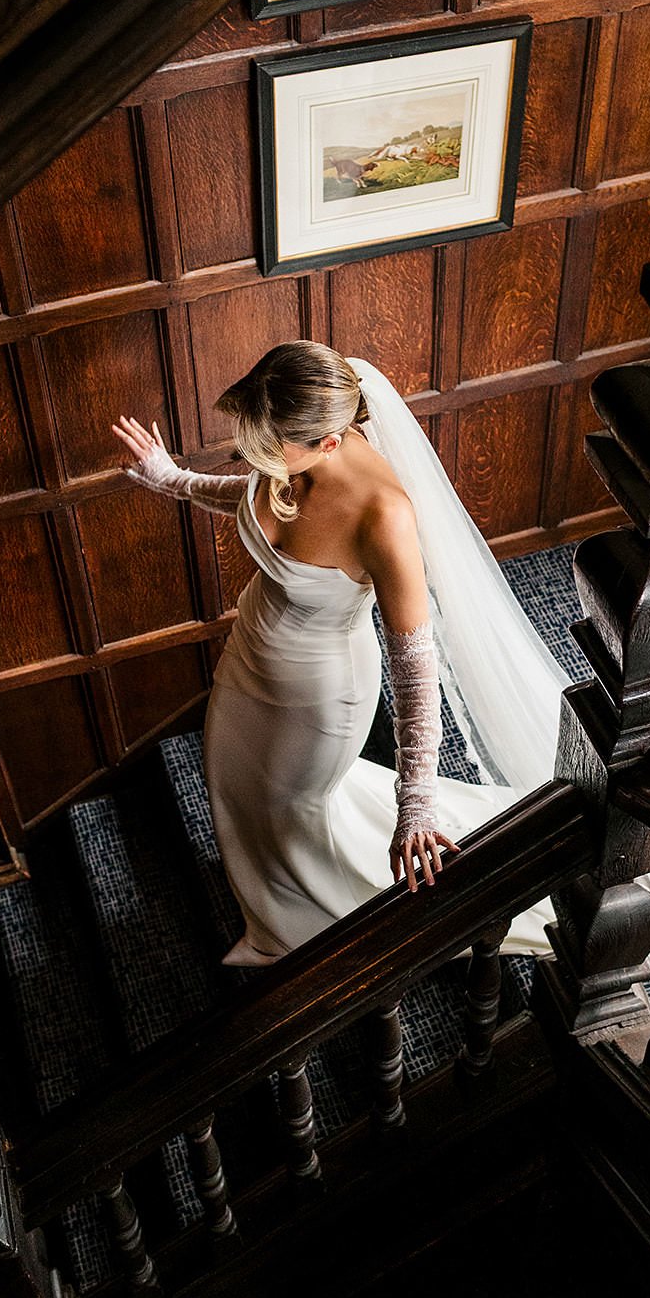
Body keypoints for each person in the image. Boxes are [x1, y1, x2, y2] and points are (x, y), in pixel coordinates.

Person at [111, 342, 565, 965]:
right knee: (240, 781)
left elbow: (415, 670)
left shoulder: (384, 516)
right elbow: (250, 494)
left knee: (294, 803)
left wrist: (417, 804)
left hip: (320, 695)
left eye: (268, 452)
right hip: (251, 659)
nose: (252, 459)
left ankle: (308, 923)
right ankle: (271, 898)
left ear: (329, 443)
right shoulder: (291, 439)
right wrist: (176, 480)